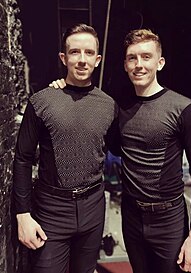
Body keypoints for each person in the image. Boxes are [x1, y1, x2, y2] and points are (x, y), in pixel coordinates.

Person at [50, 28, 191, 273]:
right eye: (132, 58)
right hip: (132, 217)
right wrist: (64, 90)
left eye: (146, 57)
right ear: (125, 64)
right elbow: (102, 138)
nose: (139, 64)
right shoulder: (119, 107)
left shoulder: (184, 108)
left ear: (160, 63)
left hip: (169, 220)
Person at [13, 23, 118, 273]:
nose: (82, 60)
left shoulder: (108, 106)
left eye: (89, 53)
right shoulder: (42, 101)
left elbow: (120, 147)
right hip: (51, 210)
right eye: (74, 52)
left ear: (98, 59)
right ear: (64, 57)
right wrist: (22, 215)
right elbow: (23, 158)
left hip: (93, 207)